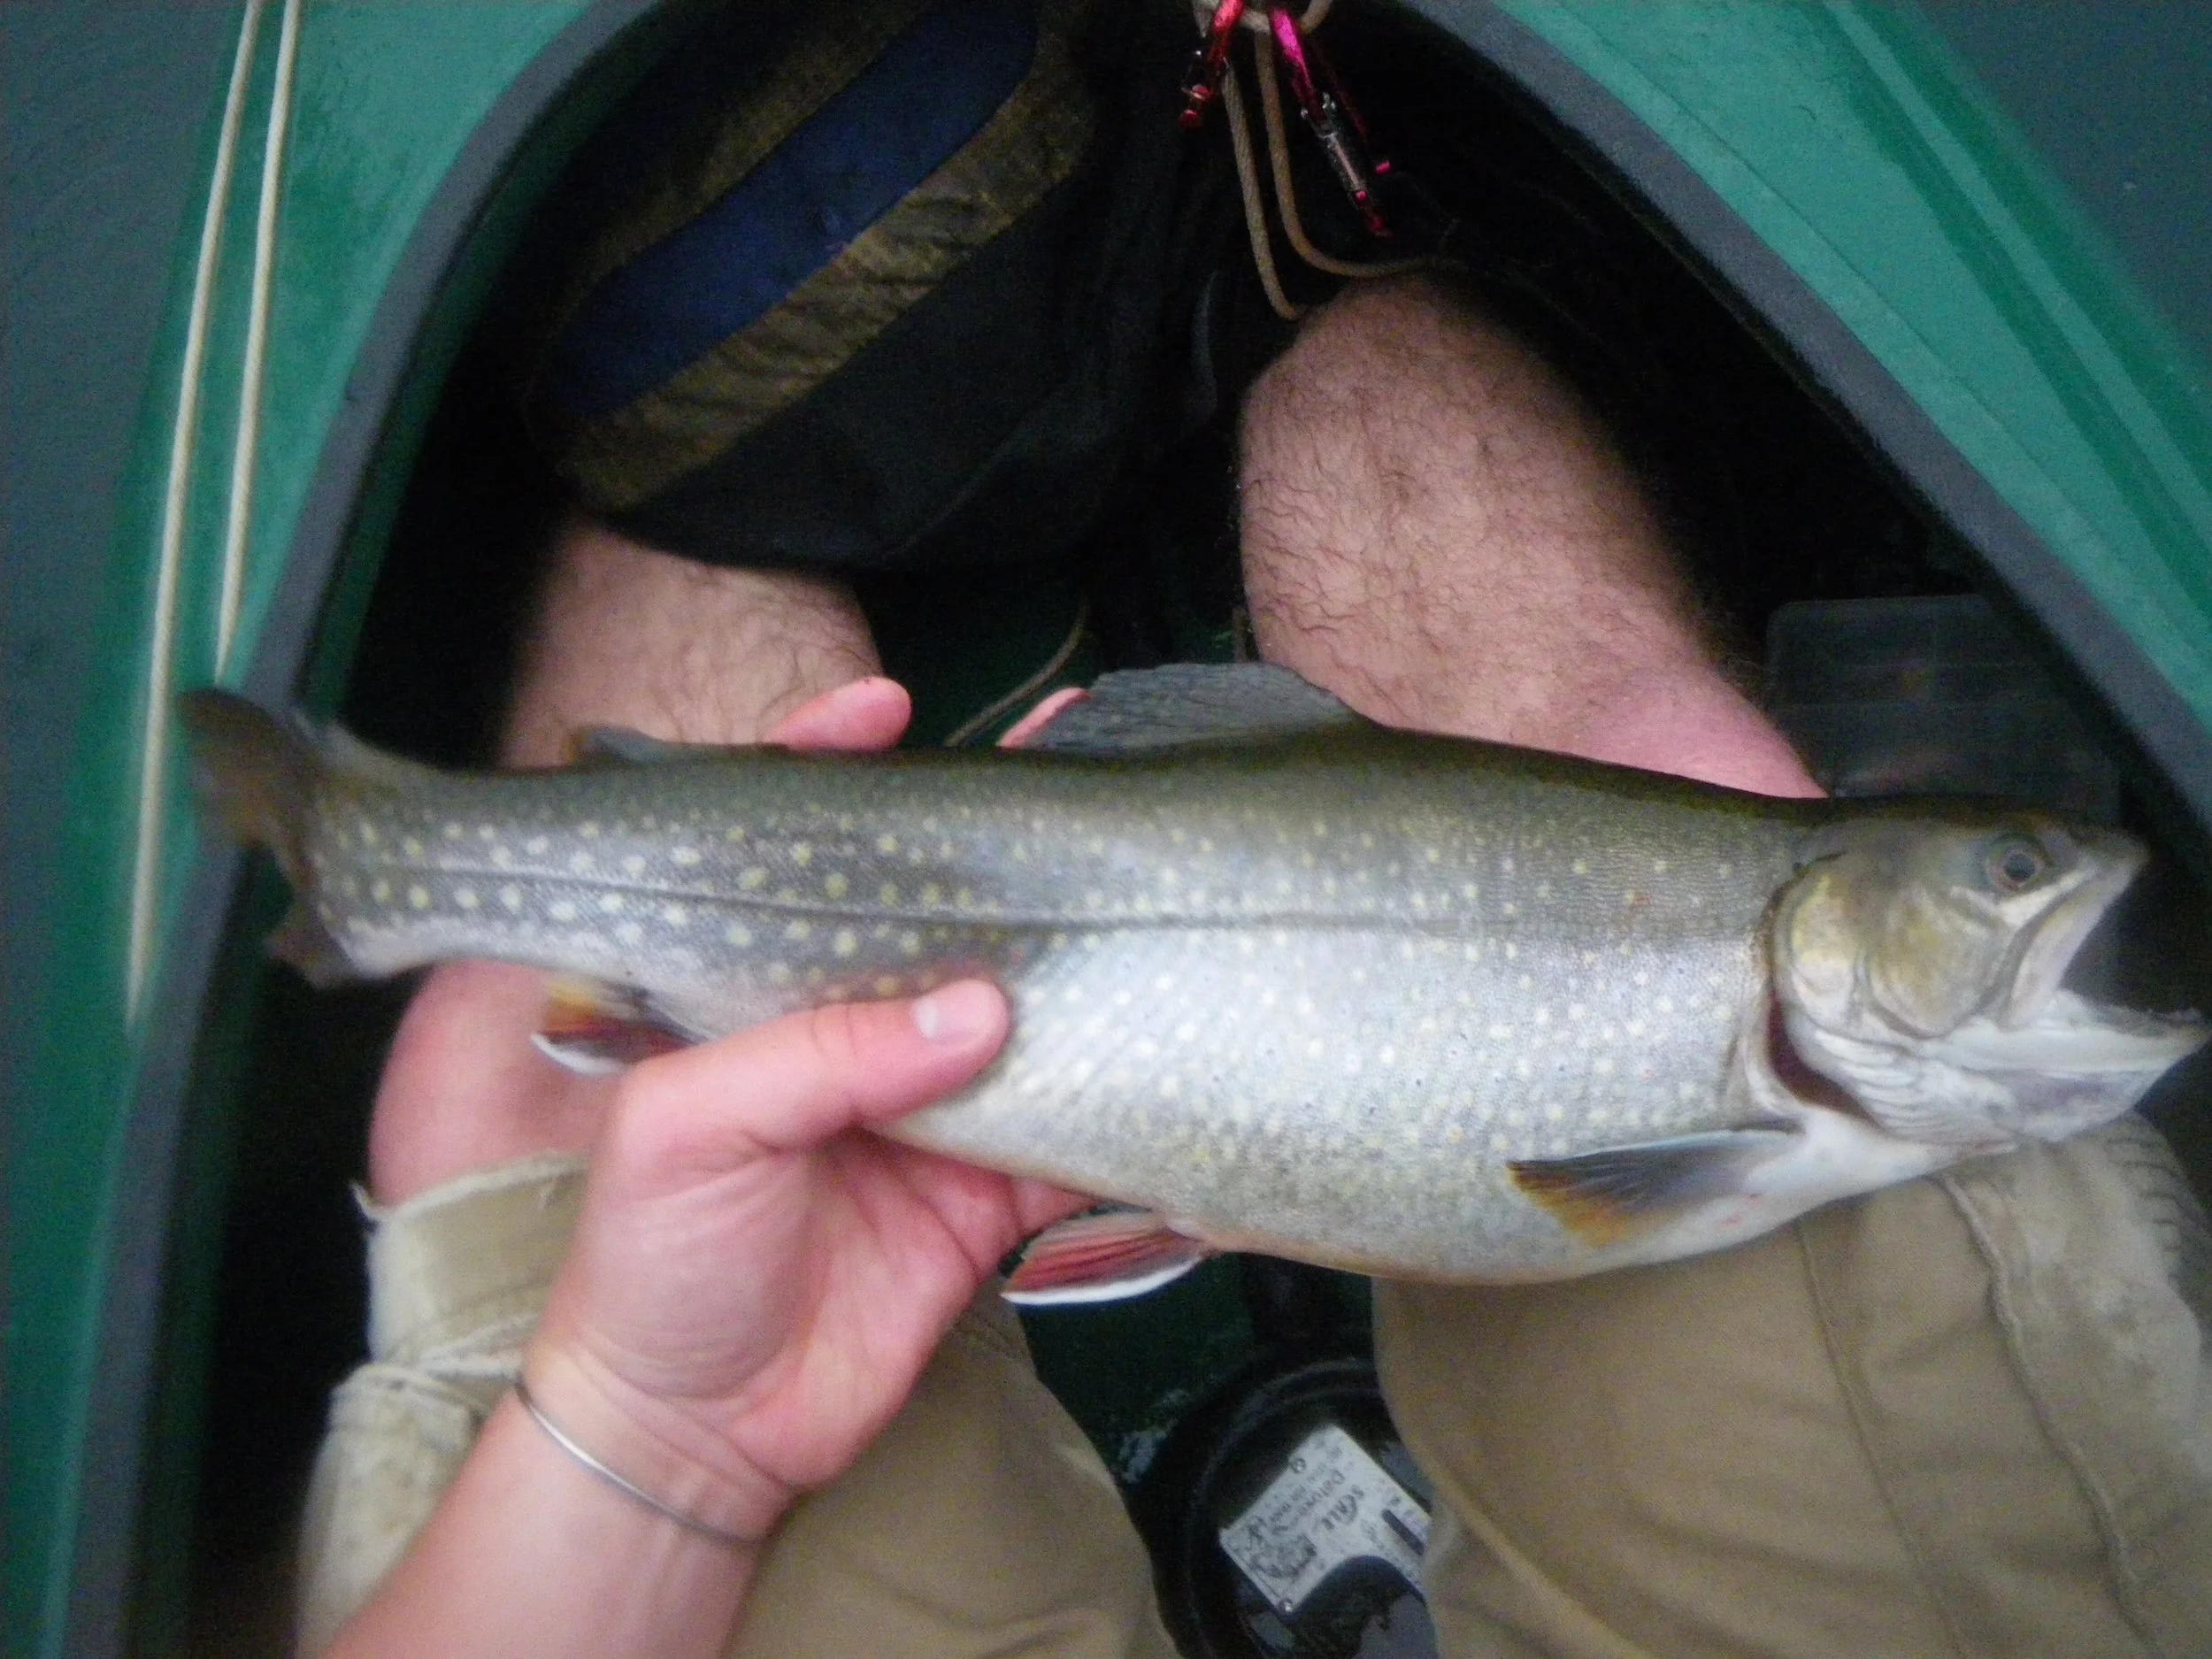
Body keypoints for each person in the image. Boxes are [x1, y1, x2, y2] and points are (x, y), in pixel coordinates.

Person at [296, 7, 2212, 1655]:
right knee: (1574, 731)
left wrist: (640, 1440)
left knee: (555, 1137)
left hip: (655, 1483)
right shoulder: (1820, 1057)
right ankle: (1308, 247)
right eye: (2007, 874)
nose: (2035, 891)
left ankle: (652, 452)